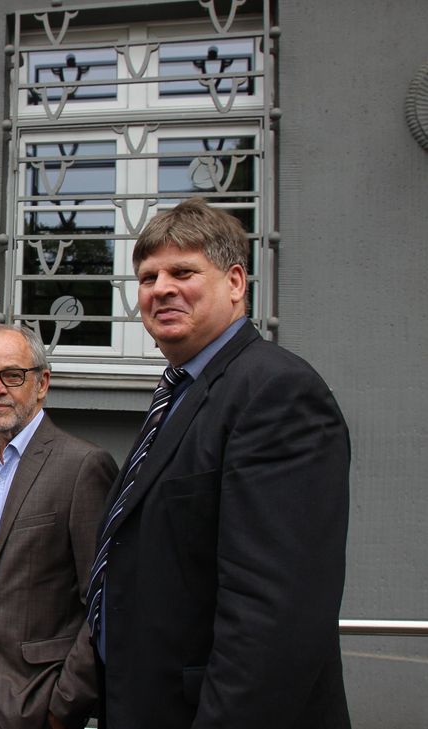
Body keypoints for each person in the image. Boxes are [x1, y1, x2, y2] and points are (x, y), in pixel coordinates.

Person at [88, 198, 351, 729]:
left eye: (182, 271)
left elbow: (272, 618)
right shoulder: (182, 391)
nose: (160, 288)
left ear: (235, 283)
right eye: (147, 276)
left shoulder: (277, 393)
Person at [0, 324, 118, 729]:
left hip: (38, 701)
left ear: (42, 383)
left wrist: (62, 707)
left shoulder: (82, 466)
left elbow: (105, 602)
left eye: (12, 375)